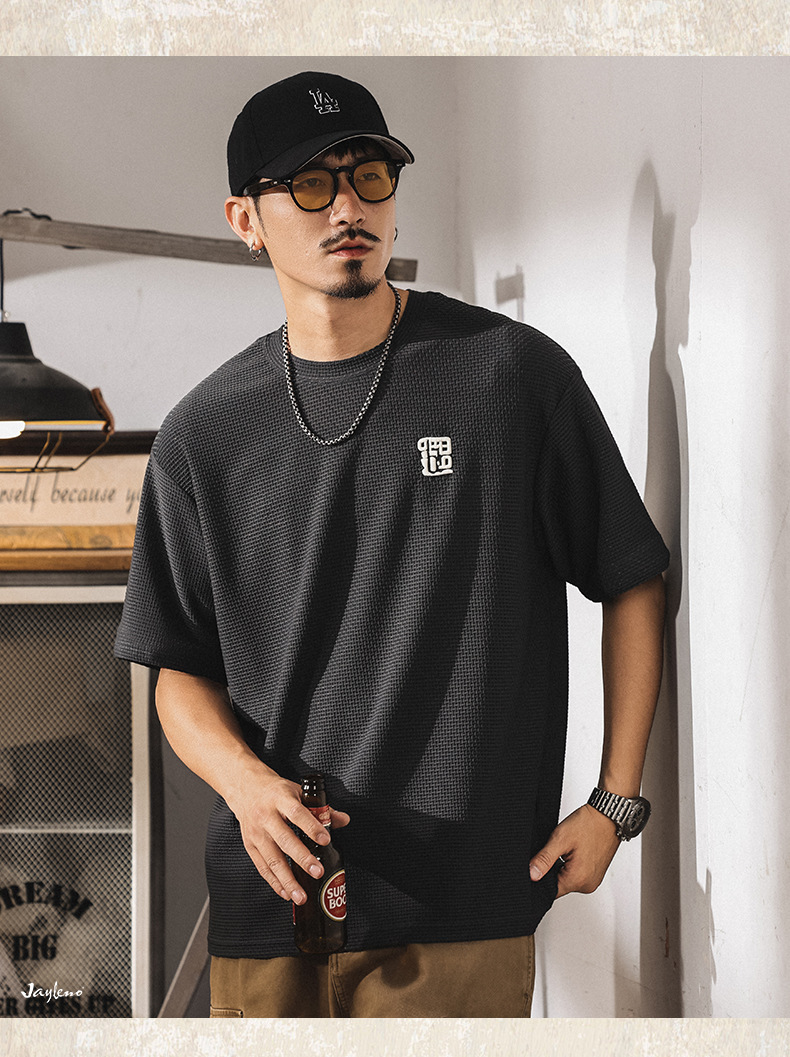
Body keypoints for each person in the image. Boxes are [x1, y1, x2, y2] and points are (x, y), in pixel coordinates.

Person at [115, 70, 669, 1018]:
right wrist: (245, 785)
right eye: (311, 185)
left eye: (368, 176)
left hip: (462, 905)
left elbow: (633, 575)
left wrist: (615, 802)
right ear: (246, 220)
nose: (348, 209)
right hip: (272, 907)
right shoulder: (203, 434)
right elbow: (178, 670)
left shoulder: (509, 378)